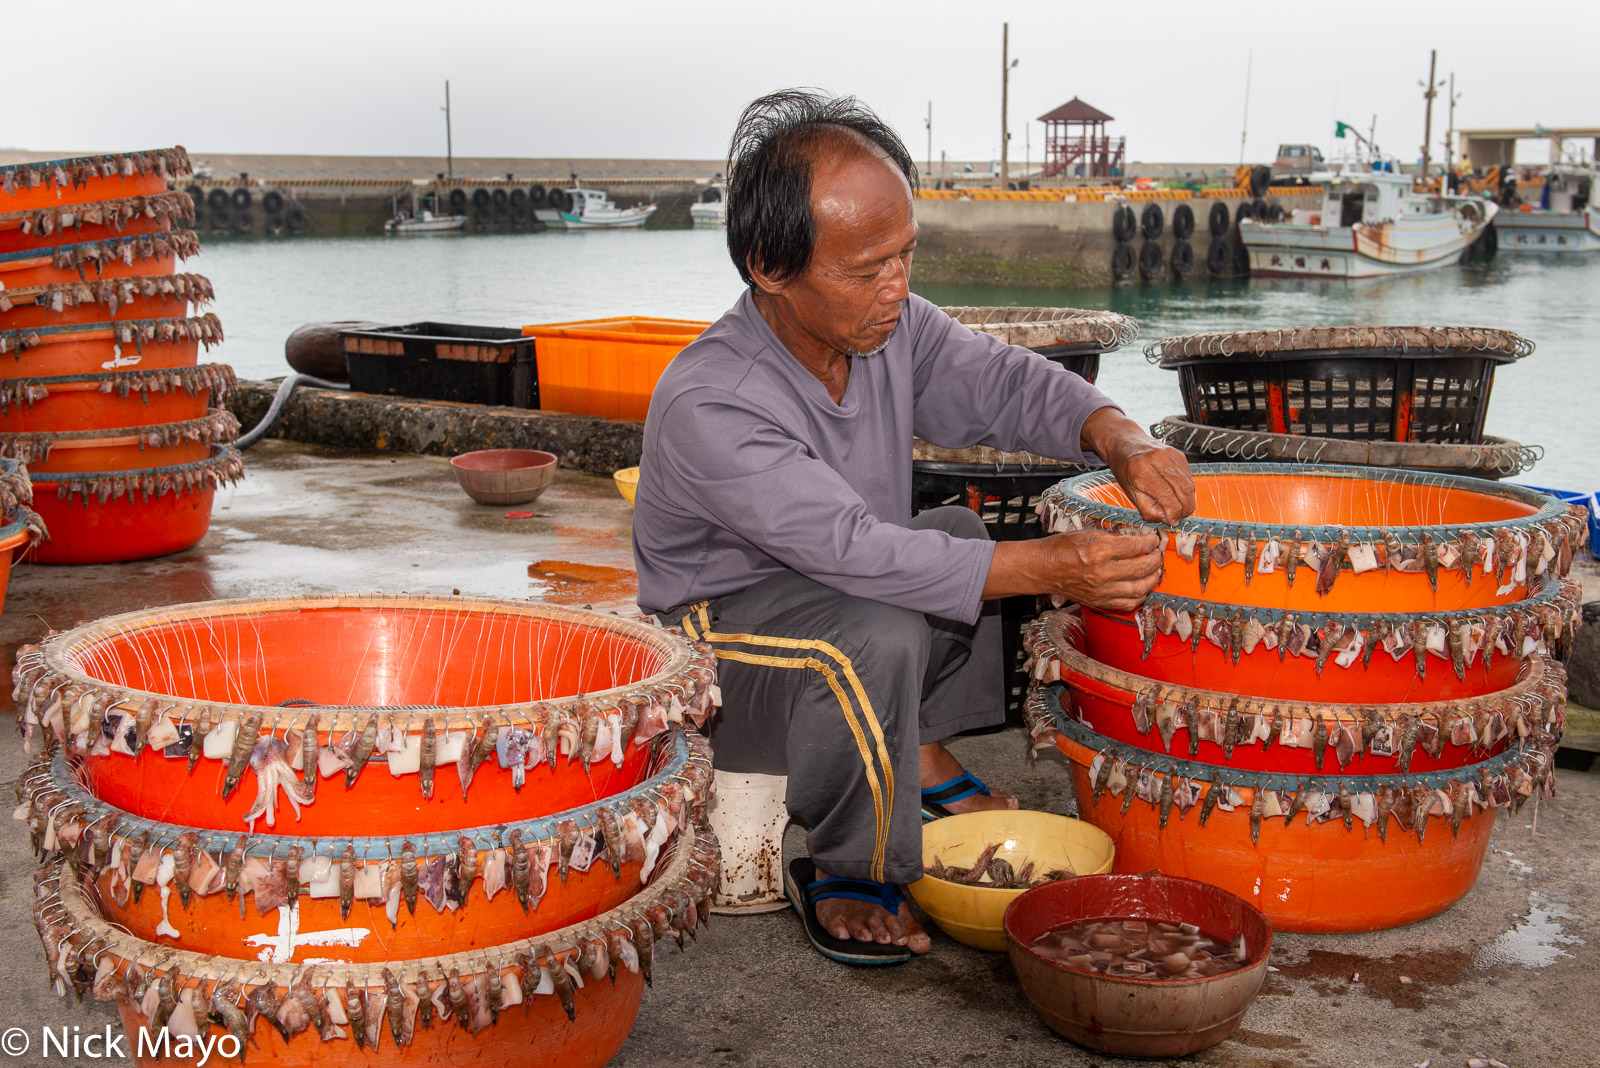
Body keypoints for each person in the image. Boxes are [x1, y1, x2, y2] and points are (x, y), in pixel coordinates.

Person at [632, 90, 1195, 965]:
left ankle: (915, 752)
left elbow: (1007, 383)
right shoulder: (711, 399)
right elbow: (859, 553)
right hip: (720, 665)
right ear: (769, 268)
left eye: (906, 255)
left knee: (961, 543)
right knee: (880, 623)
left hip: (833, 605)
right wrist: (1059, 564)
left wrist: (1118, 434)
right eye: (866, 269)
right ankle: (851, 865)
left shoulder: (888, 328)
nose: (897, 288)